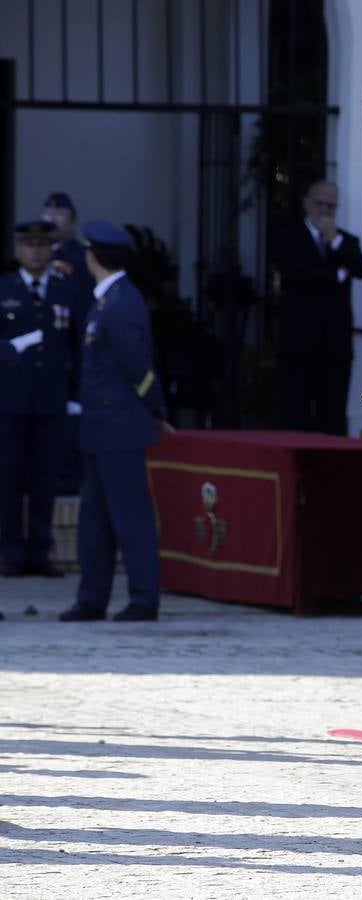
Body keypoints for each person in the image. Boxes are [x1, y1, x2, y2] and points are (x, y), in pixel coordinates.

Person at [59, 221, 172, 623]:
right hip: (100, 426)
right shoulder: (108, 300)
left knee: (130, 515)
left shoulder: (122, 302)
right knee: (95, 519)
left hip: (120, 426)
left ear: (93, 257)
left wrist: (157, 410)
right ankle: (92, 597)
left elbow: (137, 367)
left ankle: (144, 599)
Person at [0, 221, 82, 577]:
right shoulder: (4, 288)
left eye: (42, 244)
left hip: (51, 400)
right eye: (29, 244)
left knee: (44, 478)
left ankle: (40, 549)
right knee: (9, 478)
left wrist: (78, 395)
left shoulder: (67, 290)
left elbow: (79, 346)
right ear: (18, 249)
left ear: (52, 249)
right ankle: (11, 551)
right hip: (10, 400)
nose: (35, 251)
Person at [275, 180, 362, 435]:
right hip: (299, 342)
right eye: (320, 204)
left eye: (331, 206)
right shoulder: (290, 238)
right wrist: (337, 275)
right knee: (295, 412)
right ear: (308, 204)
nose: (325, 211)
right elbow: (293, 274)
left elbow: (361, 269)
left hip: (335, 345)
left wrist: (335, 241)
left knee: (333, 415)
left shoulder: (345, 241)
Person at [41, 191, 94, 496]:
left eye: (59, 212)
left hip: (70, 358)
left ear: (72, 221)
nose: (51, 216)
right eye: (47, 210)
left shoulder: (78, 257)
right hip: (43, 358)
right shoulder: (39, 255)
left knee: (67, 444)